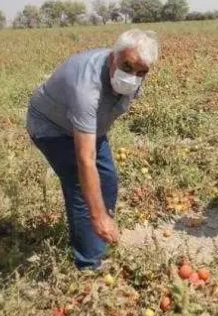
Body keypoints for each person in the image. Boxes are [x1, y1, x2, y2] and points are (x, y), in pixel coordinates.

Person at [26, 29, 160, 270]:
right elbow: (85, 160)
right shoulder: (87, 89)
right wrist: (97, 215)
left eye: (141, 72)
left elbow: (108, 111)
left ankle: (98, 240)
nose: (133, 77)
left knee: (107, 181)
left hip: (89, 127)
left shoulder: (134, 77)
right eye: (127, 68)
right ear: (113, 58)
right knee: (81, 187)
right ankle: (88, 265)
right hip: (51, 126)